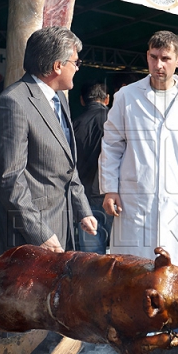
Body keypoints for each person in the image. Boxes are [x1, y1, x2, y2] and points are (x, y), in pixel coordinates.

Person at [99, 30, 178, 347]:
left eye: (166, 59)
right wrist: (109, 189)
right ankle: (141, 353)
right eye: (153, 58)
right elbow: (111, 145)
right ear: (147, 57)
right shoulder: (127, 98)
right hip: (135, 208)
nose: (159, 65)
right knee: (138, 286)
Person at [0, 27, 97, 257]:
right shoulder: (13, 103)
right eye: (75, 63)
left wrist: (82, 210)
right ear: (58, 66)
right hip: (28, 238)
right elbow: (9, 180)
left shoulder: (59, 101)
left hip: (60, 224)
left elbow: (68, 166)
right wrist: (38, 232)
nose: (77, 68)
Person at [72, 82, 111, 254]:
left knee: (92, 259)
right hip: (113, 195)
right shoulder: (115, 121)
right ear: (107, 99)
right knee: (121, 255)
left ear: (82, 100)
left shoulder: (74, 124)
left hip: (85, 197)